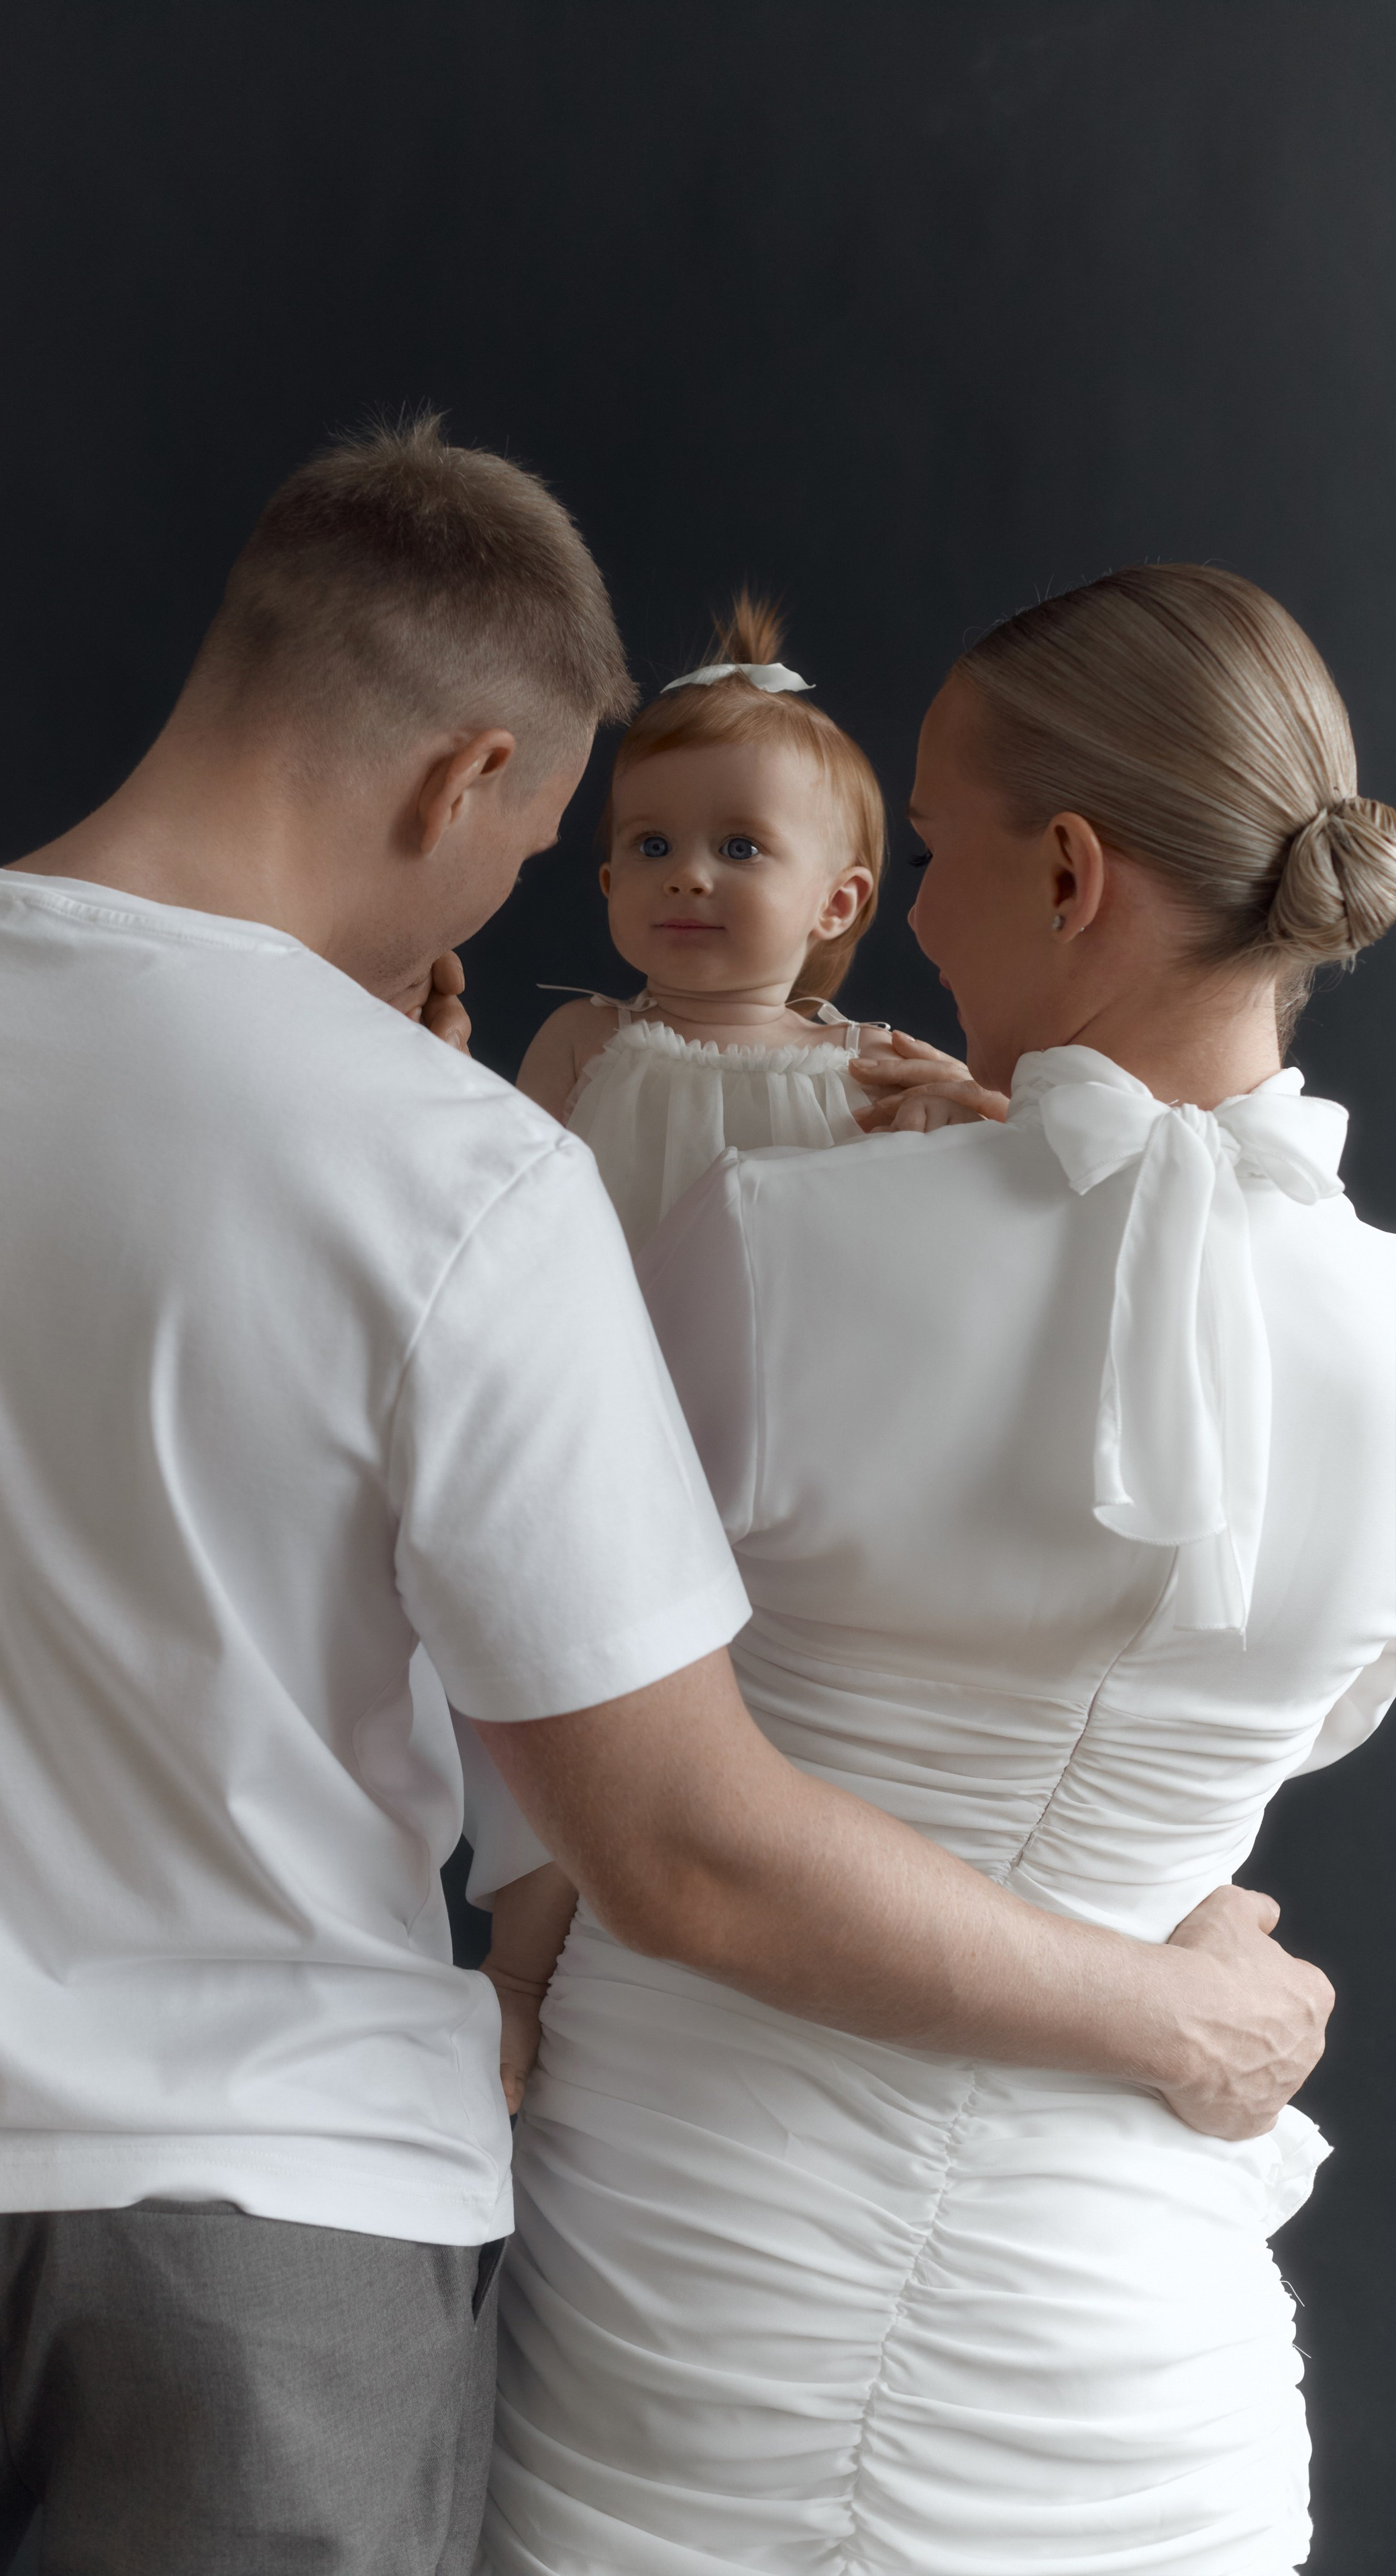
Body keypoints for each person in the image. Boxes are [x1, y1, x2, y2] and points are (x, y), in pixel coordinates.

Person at [0, 422, 1329, 2576]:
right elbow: (673, 1839)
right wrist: (1167, 2009)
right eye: (551, 836)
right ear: (466, 781)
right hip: (283, 2208)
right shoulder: (454, 1169)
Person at [480, 564, 1396, 2576]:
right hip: (1139, 2354)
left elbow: (599, 1764)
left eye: (938, 836)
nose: (903, 903)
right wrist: (1176, 1999)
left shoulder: (780, 1246)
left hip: (700, 2290)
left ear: (1067, 872)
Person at [514, 592, 992, 1260]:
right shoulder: (581, 1044)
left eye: (739, 848)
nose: (686, 876)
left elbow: (947, 1243)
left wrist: (968, 1120)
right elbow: (506, 1211)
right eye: (652, 846)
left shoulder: (874, 1068)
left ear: (836, 904)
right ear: (608, 885)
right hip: (608, 1355)